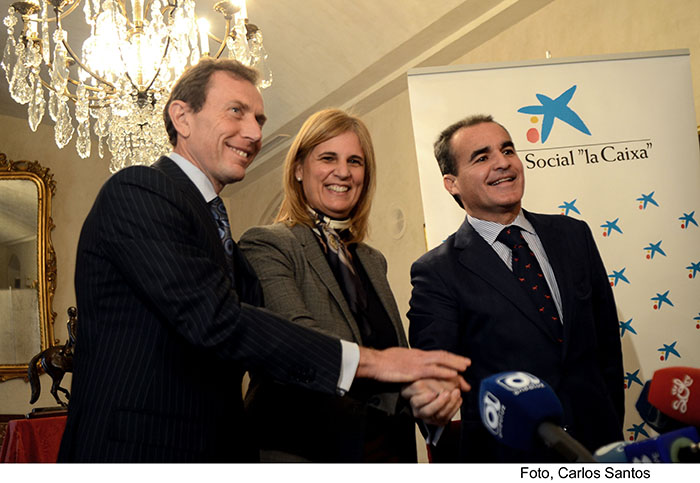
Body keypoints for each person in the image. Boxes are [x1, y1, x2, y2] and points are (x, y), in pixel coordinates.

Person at [56, 58, 469, 463]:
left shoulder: (217, 229)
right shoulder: (139, 190)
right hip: (140, 452)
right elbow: (218, 320)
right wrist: (377, 361)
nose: (253, 133)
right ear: (181, 117)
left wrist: (420, 388)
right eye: (236, 112)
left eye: (259, 119)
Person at [405, 114, 624, 462]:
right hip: (511, 457)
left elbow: (607, 350)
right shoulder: (437, 272)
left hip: (598, 445)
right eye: (482, 157)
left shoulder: (574, 235)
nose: (503, 162)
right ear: (452, 183)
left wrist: (612, 429)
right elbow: (434, 383)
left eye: (507, 150)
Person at [239, 109, 442, 462]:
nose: (344, 172)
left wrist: (427, 394)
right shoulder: (266, 244)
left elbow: (395, 353)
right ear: (299, 169)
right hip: (307, 448)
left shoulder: (371, 259)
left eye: (355, 161)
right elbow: (296, 340)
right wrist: (386, 364)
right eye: (328, 158)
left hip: (388, 448)